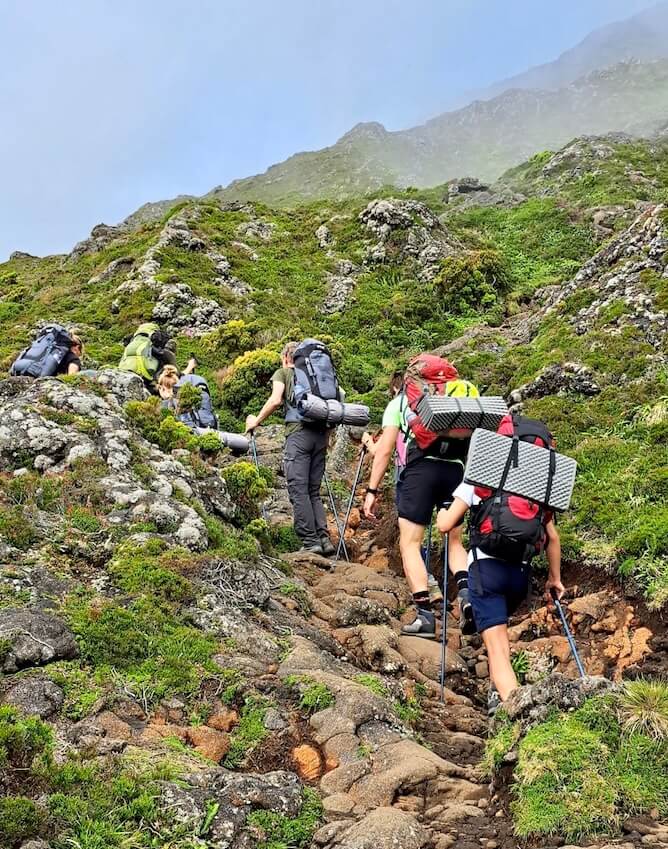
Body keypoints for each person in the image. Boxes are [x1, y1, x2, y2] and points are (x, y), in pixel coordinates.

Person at [362, 367, 475, 640]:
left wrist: (372, 490)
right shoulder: (455, 398)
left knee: (410, 543)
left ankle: (425, 617)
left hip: (419, 473)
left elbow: (386, 449)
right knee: (455, 541)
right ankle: (467, 596)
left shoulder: (400, 403)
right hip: (455, 472)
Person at [436, 483, 564, 708]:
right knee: (500, 639)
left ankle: (518, 712)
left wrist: (441, 513)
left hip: (486, 572)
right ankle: (497, 696)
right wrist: (555, 578)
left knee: (496, 649)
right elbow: (552, 537)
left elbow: (445, 525)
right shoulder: (537, 486)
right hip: (520, 575)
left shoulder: (481, 478)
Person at [245, 341, 336, 557]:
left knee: (298, 489)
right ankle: (324, 539)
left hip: (298, 435)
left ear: (287, 358)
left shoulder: (284, 372)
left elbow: (276, 400)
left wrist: (256, 420)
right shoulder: (318, 375)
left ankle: (310, 541)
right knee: (313, 490)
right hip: (321, 436)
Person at [361, 372, 443, 606]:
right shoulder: (431, 405)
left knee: (411, 538)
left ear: (396, 389)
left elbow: (381, 451)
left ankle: (426, 589)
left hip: (410, 473)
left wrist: (367, 442)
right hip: (444, 471)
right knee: (428, 534)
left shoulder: (398, 405)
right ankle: (440, 587)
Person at [118, 323, 177, 389]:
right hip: (145, 377)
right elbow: (164, 355)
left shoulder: (133, 341)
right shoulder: (155, 342)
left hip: (123, 374)